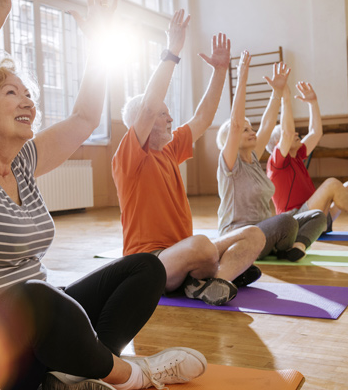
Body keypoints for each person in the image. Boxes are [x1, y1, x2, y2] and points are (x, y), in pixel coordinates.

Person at [0, 0, 206, 389]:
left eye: (29, 95)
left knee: (146, 268)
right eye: (12, 93)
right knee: (36, 298)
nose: (29, 102)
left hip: (34, 341)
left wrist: (98, 41)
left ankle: (81, 377)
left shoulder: (23, 164)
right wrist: (1, 10)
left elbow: (86, 115)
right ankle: (133, 376)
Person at [112, 18, 265, 307]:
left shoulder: (169, 149)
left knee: (253, 235)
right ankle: (209, 277)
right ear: (142, 123)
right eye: (162, 114)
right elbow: (147, 105)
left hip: (184, 252)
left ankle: (212, 281)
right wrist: (172, 50)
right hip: (150, 263)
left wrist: (220, 71)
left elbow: (203, 118)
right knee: (202, 246)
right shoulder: (129, 156)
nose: (170, 118)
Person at [216, 53, 327, 262]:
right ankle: (281, 245)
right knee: (285, 221)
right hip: (240, 237)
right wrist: (242, 78)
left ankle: (294, 246)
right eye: (244, 130)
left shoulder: (254, 159)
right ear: (231, 139)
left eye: (251, 128)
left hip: (266, 231)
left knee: (317, 216)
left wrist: (277, 92)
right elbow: (236, 122)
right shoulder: (229, 164)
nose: (251, 131)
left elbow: (267, 124)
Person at [265, 82, 348, 231]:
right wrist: (285, 97)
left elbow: (316, 132)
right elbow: (288, 133)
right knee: (331, 184)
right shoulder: (276, 163)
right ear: (279, 143)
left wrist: (313, 102)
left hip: (314, 218)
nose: (296, 133)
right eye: (292, 133)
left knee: (347, 186)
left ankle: (322, 226)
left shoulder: (297, 155)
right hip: (294, 222)